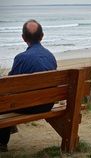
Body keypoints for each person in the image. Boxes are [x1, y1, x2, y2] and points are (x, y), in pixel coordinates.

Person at [0, 19, 57, 152]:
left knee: (4, 100)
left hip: (29, 106)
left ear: (23, 38)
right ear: (42, 36)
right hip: (48, 104)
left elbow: (9, 86)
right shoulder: (50, 56)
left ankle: (2, 142)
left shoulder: (21, 58)